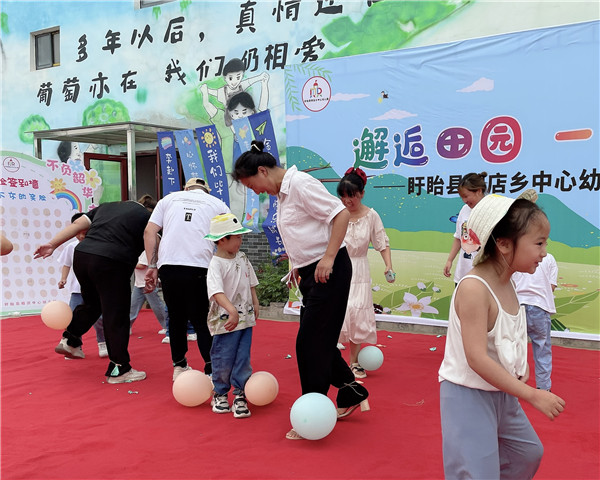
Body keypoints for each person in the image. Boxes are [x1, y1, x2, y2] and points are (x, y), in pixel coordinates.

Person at [232, 140, 369, 440]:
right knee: (315, 340)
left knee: (309, 344)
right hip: (311, 273)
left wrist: (329, 257)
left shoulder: (300, 184)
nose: (254, 191)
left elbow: (340, 215)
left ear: (263, 171)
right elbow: (307, 232)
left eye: (251, 184)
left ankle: (312, 412)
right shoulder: (282, 193)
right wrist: (297, 265)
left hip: (329, 271)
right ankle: (350, 389)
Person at [438, 193, 566, 479]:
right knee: (475, 472)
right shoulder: (475, 288)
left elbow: (510, 336)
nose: (544, 253)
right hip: (467, 394)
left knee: (527, 453)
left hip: (501, 393)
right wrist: (532, 394)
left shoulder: (509, 283)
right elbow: (476, 358)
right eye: (539, 243)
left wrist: (521, 365)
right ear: (505, 244)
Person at [34, 200, 151, 384]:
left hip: (83, 256)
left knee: (92, 304)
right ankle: (119, 368)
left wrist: (52, 244)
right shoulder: (146, 216)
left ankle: (71, 340)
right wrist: (153, 266)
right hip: (111, 260)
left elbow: (77, 224)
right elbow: (151, 237)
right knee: (116, 314)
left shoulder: (105, 207)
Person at [143, 177, 230, 382]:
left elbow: (150, 231)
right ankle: (210, 369)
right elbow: (229, 236)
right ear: (206, 191)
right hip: (201, 266)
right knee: (201, 318)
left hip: (169, 265)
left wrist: (152, 266)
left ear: (186, 188)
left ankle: (179, 366)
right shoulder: (217, 204)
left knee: (176, 317)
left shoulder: (169, 199)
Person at [336, 167, 395, 378]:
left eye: (351, 195)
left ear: (361, 193)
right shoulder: (335, 214)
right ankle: (332, 360)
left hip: (359, 269)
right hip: (336, 268)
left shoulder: (371, 216)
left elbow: (382, 242)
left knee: (356, 313)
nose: (346, 200)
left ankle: (353, 362)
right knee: (337, 313)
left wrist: (388, 265)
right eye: (342, 196)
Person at [204, 213, 259, 418]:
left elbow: (250, 282)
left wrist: (255, 301)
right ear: (222, 239)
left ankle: (240, 393)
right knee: (223, 355)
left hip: (245, 318)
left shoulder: (242, 257)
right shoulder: (215, 264)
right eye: (237, 237)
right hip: (225, 320)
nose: (240, 241)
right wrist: (232, 311)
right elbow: (216, 292)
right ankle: (219, 393)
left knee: (243, 356)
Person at [56, 212, 107, 358]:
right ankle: (73, 346)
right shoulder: (71, 247)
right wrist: (63, 279)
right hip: (77, 290)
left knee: (99, 319)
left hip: (94, 290)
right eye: (78, 233)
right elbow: (66, 264)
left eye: (85, 233)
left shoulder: (97, 246)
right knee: (72, 318)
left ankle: (102, 342)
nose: (81, 236)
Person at [513, 253, 559, 392]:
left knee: (513, 348)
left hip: (517, 306)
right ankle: (544, 388)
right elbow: (551, 286)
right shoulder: (549, 258)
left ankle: (512, 385)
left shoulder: (516, 256)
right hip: (540, 307)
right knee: (542, 349)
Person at [443, 172, 488, 284]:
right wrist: (449, 260)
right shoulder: (464, 210)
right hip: (463, 274)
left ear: (478, 191)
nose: (464, 200)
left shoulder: (490, 209)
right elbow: (458, 237)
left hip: (484, 276)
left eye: (466, 196)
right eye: (462, 197)